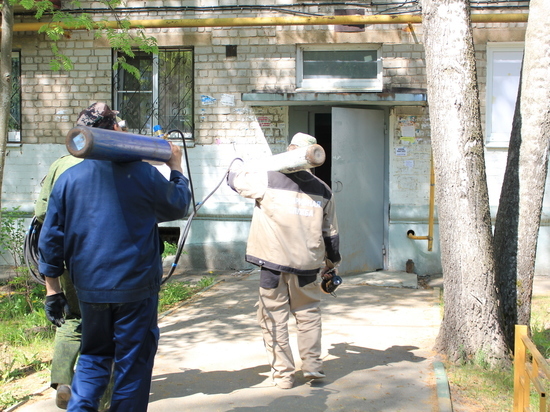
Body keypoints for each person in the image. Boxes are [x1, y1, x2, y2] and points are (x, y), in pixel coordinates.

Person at [38, 102, 192, 411]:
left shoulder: (70, 178)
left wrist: (52, 290)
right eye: (120, 127)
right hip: (135, 290)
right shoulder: (143, 174)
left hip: (90, 289)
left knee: (94, 357)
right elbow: (179, 205)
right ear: (115, 133)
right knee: (132, 365)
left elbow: (51, 237)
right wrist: (176, 168)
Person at [227, 132, 341, 389]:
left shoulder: (267, 179)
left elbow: (234, 181)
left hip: (273, 265)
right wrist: (332, 264)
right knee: (308, 314)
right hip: (308, 266)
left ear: (290, 152)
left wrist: (235, 165)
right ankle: (313, 368)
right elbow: (331, 233)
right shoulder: (323, 190)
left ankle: (284, 375)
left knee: (274, 316)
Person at [35, 105, 128, 410]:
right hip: (103, 261)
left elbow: (41, 214)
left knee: (72, 318)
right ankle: (102, 397)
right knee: (110, 327)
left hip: (63, 259)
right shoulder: (112, 163)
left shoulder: (60, 165)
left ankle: (63, 381)